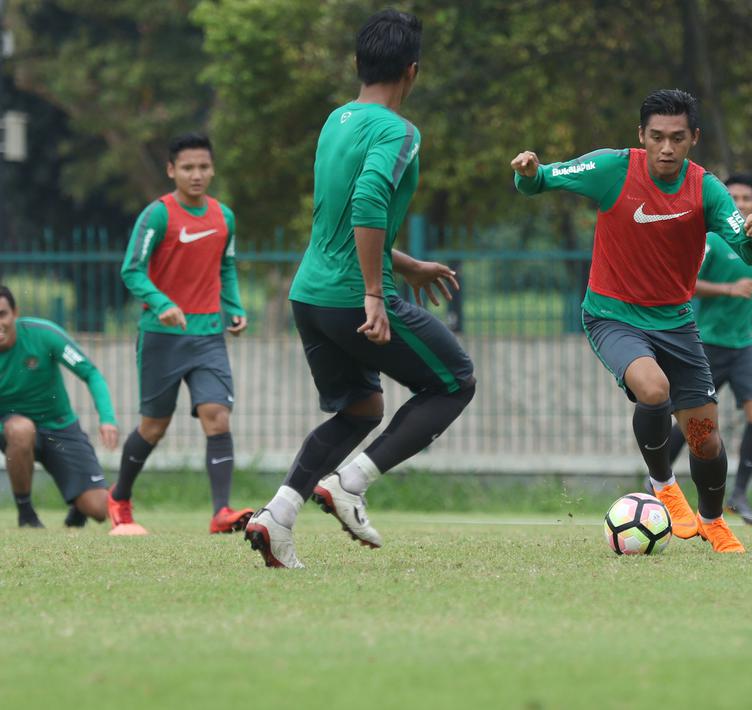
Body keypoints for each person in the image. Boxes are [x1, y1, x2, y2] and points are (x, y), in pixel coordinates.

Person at [245, 9, 475, 569]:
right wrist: (377, 292)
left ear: (358, 64)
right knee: (454, 383)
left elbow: (339, 218)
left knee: (361, 407)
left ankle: (277, 515)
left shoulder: (336, 120)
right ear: (413, 72)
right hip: (352, 295)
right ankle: (350, 482)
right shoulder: (400, 131)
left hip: (311, 295)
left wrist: (405, 265)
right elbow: (369, 202)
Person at [511, 89, 752, 553]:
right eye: (656, 137)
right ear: (641, 136)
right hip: (613, 316)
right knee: (653, 389)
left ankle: (711, 519)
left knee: (704, 440)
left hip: (677, 325)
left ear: (693, 138)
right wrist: (529, 174)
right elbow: (545, 178)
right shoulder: (613, 168)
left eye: (676, 138)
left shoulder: (705, 189)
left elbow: (744, 245)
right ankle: (663, 485)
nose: (666, 148)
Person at [117, 133, 252, 536]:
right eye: (188, 168)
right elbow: (131, 270)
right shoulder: (157, 215)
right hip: (161, 335)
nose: (197, 175)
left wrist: (236, 308)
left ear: (212, 169)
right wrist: (162, 304)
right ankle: (120, 497)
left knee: (217, 416)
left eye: (204, 167)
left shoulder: (223, 217)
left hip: (209, 333)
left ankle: (220, 512)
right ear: (172, 170)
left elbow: (225, 268)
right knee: (153, 427)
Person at [660, 173, 752, 526]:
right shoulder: (710, 238)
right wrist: (728, 290)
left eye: (747, 198)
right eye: (734, 198)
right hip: (705, 342)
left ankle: (739, 494)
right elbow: (686, 284)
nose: (740, 204)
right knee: (691, 424)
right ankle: (659, 486)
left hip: (742, 345)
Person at [0, 285, 118, 528]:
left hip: (59, 426)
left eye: (2, 314)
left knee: (99, 509)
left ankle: (79, 505)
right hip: (10, 427)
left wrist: (107, 418)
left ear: (15, 313)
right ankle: (27, 514)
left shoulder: (43, 335)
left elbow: (91, 374)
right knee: (22, 429)